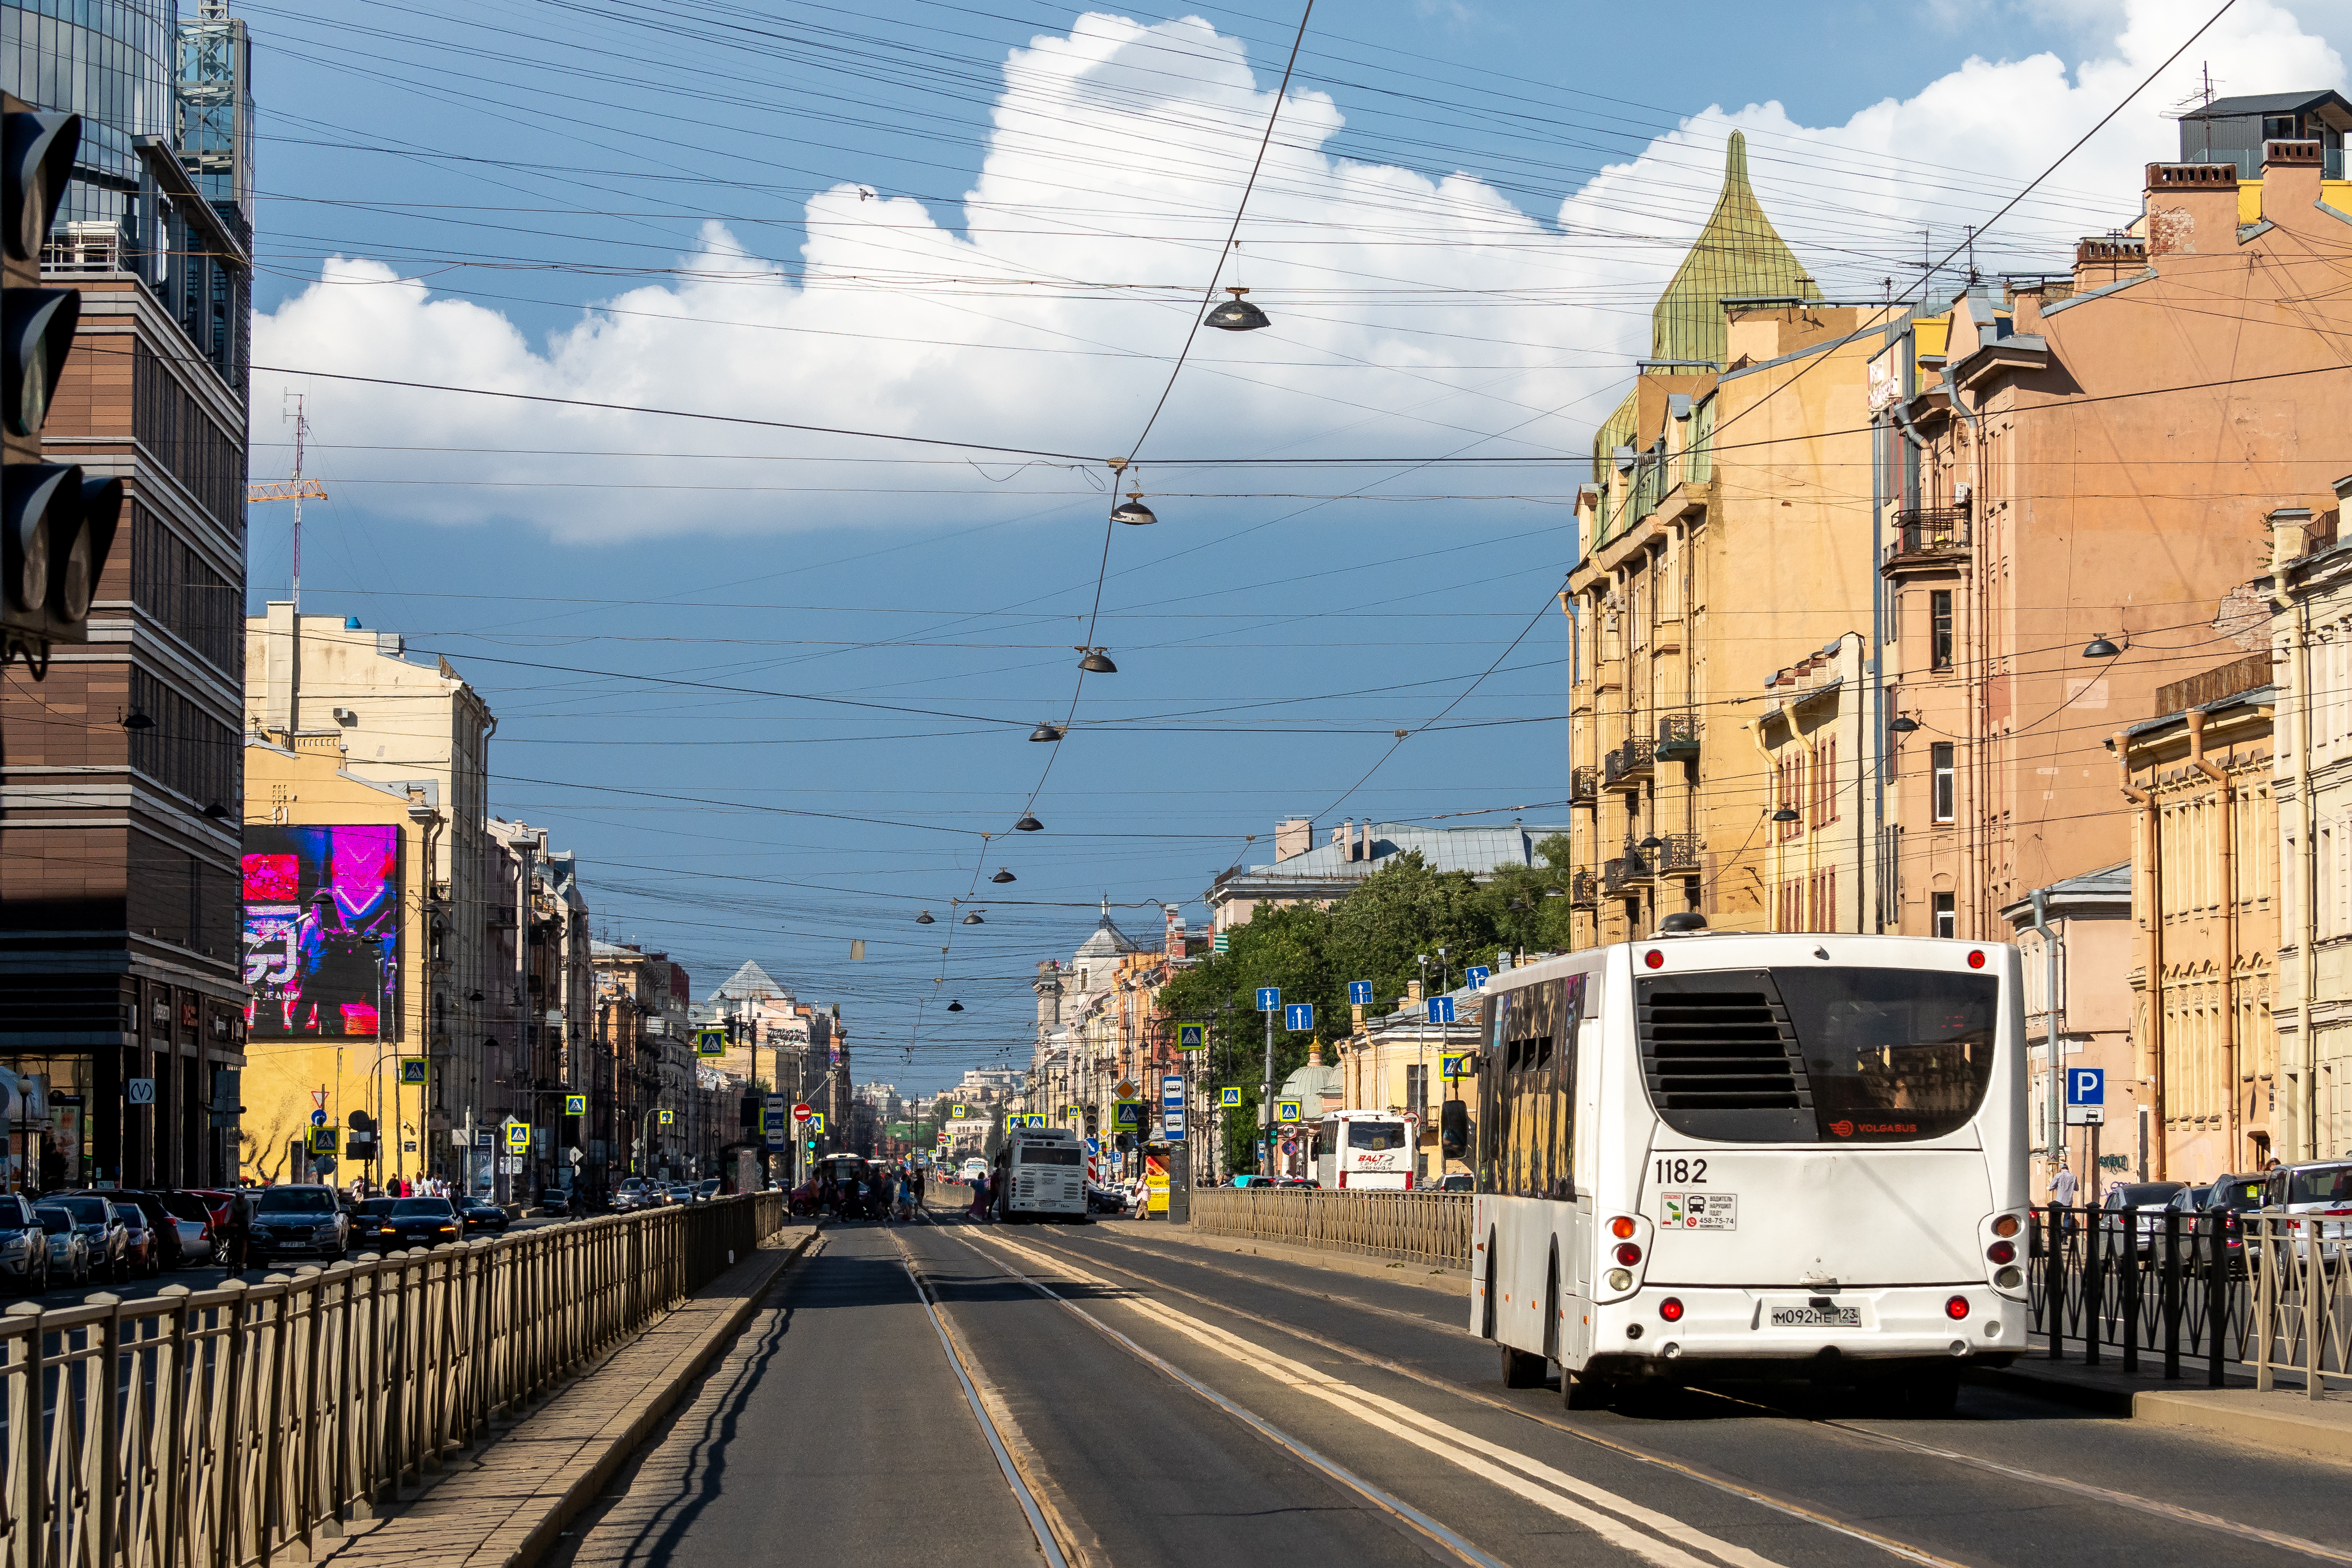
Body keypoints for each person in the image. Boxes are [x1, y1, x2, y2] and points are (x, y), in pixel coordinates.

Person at [224, 1185, 257, 1278]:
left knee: (244, 1242)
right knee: (232, 1229)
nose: (239, 1198)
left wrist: (250, 1227)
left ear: (244, 1197)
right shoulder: (232, 1202)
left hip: (245, 1222)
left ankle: (241, 1264)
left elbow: (250, 1216)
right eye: (238, 1196)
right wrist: (225, 1223)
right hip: (236, 1221)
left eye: (241, 1196)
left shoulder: (249, 1203)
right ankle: (232, 1247)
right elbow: (228, 1215)